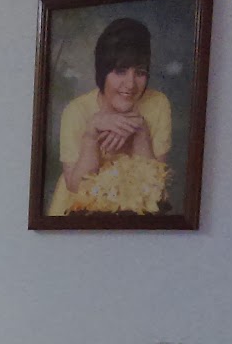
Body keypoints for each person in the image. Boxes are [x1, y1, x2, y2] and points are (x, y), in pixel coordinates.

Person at [47, 17, 172, 217]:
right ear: (103, 72)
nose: (130, 84)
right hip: (75, 214)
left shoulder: (157, 104)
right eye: (120, 71)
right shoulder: (76, 111)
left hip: (136, 216)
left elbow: (157, 189)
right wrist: (91, 136)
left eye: (140, 72)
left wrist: (141, 133)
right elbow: (76, 187)